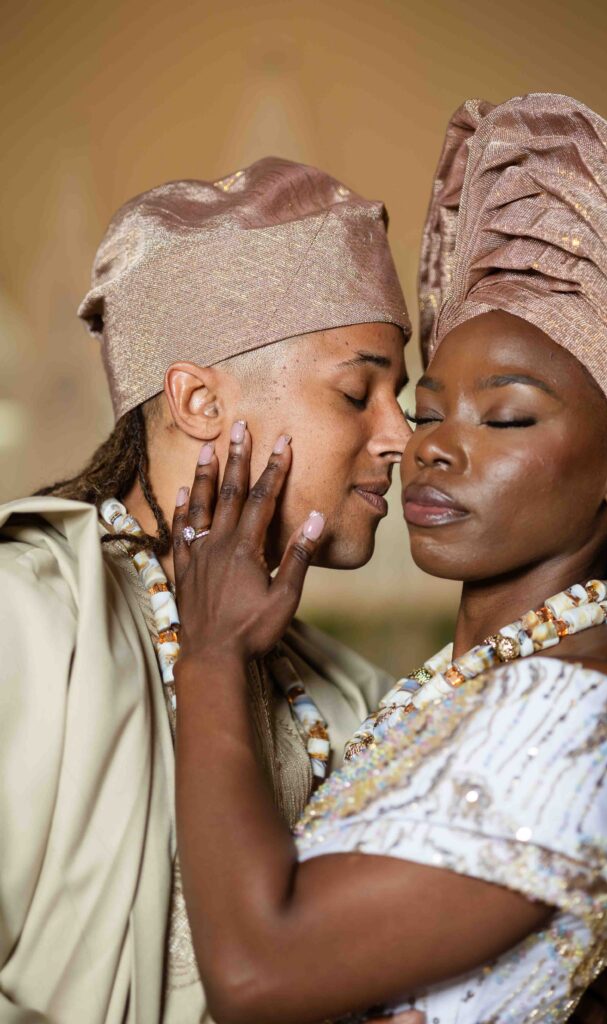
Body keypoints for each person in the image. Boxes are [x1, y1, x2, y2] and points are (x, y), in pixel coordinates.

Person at [171, 94, 607, 1024]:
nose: (430, 447)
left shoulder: (591, 711)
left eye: (508, 415)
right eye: (429, 406)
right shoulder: (464, 689)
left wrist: (210, 654)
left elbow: (257, 977)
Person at [0, 157, 422, 1022]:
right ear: (197, 400)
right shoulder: (28, 617)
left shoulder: (347, 692)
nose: (400, 437)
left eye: (401, 395)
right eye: (357, 391)